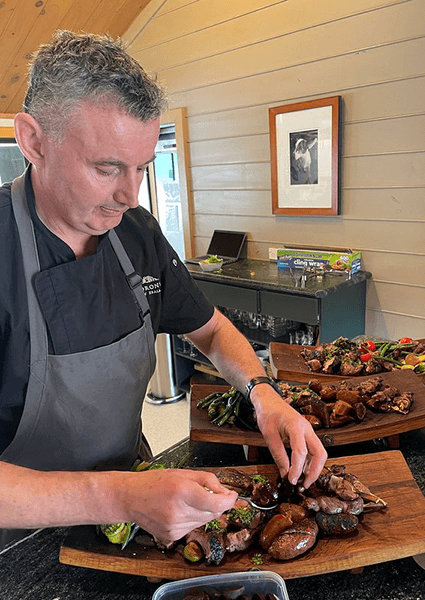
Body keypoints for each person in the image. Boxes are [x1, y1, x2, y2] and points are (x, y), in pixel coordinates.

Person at [0, 30, 327, 545]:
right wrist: (124, 496)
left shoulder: (137, 233)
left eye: (142, 169)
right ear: (34, 140)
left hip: (135, 513)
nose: (129, 194)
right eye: (107, 168)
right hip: (19, 543)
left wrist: (262, 392)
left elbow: (214, 332)